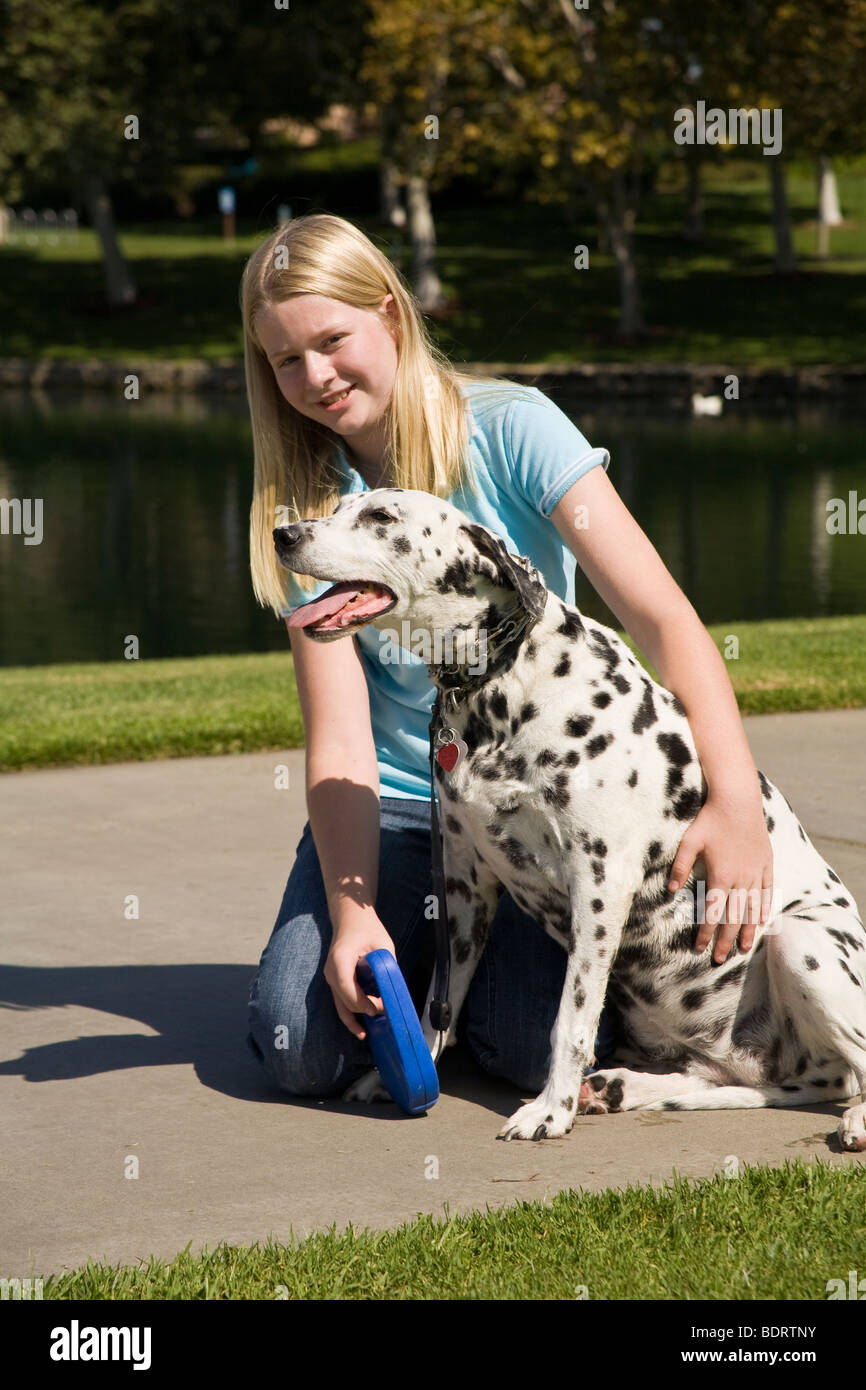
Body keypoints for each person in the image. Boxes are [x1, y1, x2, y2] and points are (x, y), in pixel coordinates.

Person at [242, 212, 773, 1100]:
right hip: (411, 812)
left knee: (527, 1051)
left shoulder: (515, 429)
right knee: (300, 1046)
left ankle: (478, 982)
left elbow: (665, 620)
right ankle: (430, 963)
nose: (317, 377)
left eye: (333, 341)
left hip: (540, 806)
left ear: (391, 316)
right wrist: (352, 911)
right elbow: (342, 745)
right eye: (286, 360)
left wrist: (738, 804)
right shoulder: (310, 511)